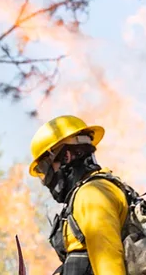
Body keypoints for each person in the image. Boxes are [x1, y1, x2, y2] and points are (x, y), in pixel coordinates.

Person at [28, 115, 128, 275]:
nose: (46, 180)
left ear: (66, 157)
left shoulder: (91, 195)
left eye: (44, 168)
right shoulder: (99, 190)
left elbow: (109, 265)